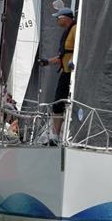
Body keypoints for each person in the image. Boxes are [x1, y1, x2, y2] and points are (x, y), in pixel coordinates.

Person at [37, 7, 76, 141]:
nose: (56, 20)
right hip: (65, 73)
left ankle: (59, 135)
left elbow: (79, 49)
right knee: (57, 105)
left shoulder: (76, 29)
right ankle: (55, 135)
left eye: (58, 17)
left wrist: (72, 60)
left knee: (66, 104)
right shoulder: (67, 32)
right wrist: (46, 62)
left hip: (72, 74)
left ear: (65, 18)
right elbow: (62, 56)